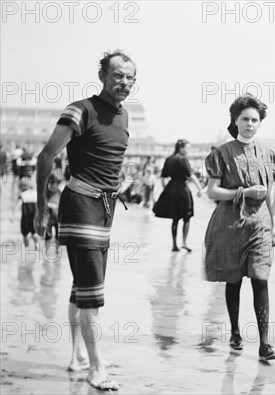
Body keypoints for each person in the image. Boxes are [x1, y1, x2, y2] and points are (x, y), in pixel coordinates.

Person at [34, 49, 137, 391]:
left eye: (130, 77)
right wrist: (39, 209)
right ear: (103, 77)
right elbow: (46, 156)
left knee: (82, 289)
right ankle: (95, 368)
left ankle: (79, 356)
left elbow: (111, 160)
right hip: (80, 205)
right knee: (92, 293)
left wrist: (120, 179)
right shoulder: (81, 110)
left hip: (105, 210)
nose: (125, 82)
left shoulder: (124, 117)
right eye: (118, 75)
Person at [204, 94, 275, 361]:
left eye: (254, 120)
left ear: (260, 123)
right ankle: (235, 331)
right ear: (235, 121)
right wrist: (245, 191)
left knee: (261, 279)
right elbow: (212, 191)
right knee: (234, 280)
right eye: (245, 119)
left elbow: (271, 193)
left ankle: (265, 343)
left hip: (260, 225)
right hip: (230, 224)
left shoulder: (268, 154)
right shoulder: (221, 153)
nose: (249, 124)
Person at [152, 139, 203, 252]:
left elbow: (163, 176)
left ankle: (174, 245)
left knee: (175, 218)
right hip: (183, 189)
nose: (188, 151)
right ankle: (184, 242)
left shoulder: (169, 159)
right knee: (187, 216)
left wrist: (166, 187)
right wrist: (200, 189)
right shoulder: (183, 159)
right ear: (181, 148)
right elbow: (191, 176)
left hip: (171, 188)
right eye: (187, 148)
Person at [11, 176, 39, 247]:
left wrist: (13, 215)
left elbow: (18, 205)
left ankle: (26, 247)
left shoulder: (23, 195)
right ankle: (37, 245)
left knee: (25, 234)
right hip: (35, 218)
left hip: (26, 218)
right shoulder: (35, 194)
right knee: (34, 232)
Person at [45, 173, 61, 240]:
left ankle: (57, 250)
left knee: (58, 235)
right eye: (53, 184)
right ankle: (46, 250)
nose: (55, 185)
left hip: (57, 217)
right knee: (48, 235)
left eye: (56, 184)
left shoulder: (59, 192)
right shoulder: (46, 192)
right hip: (49, 217)